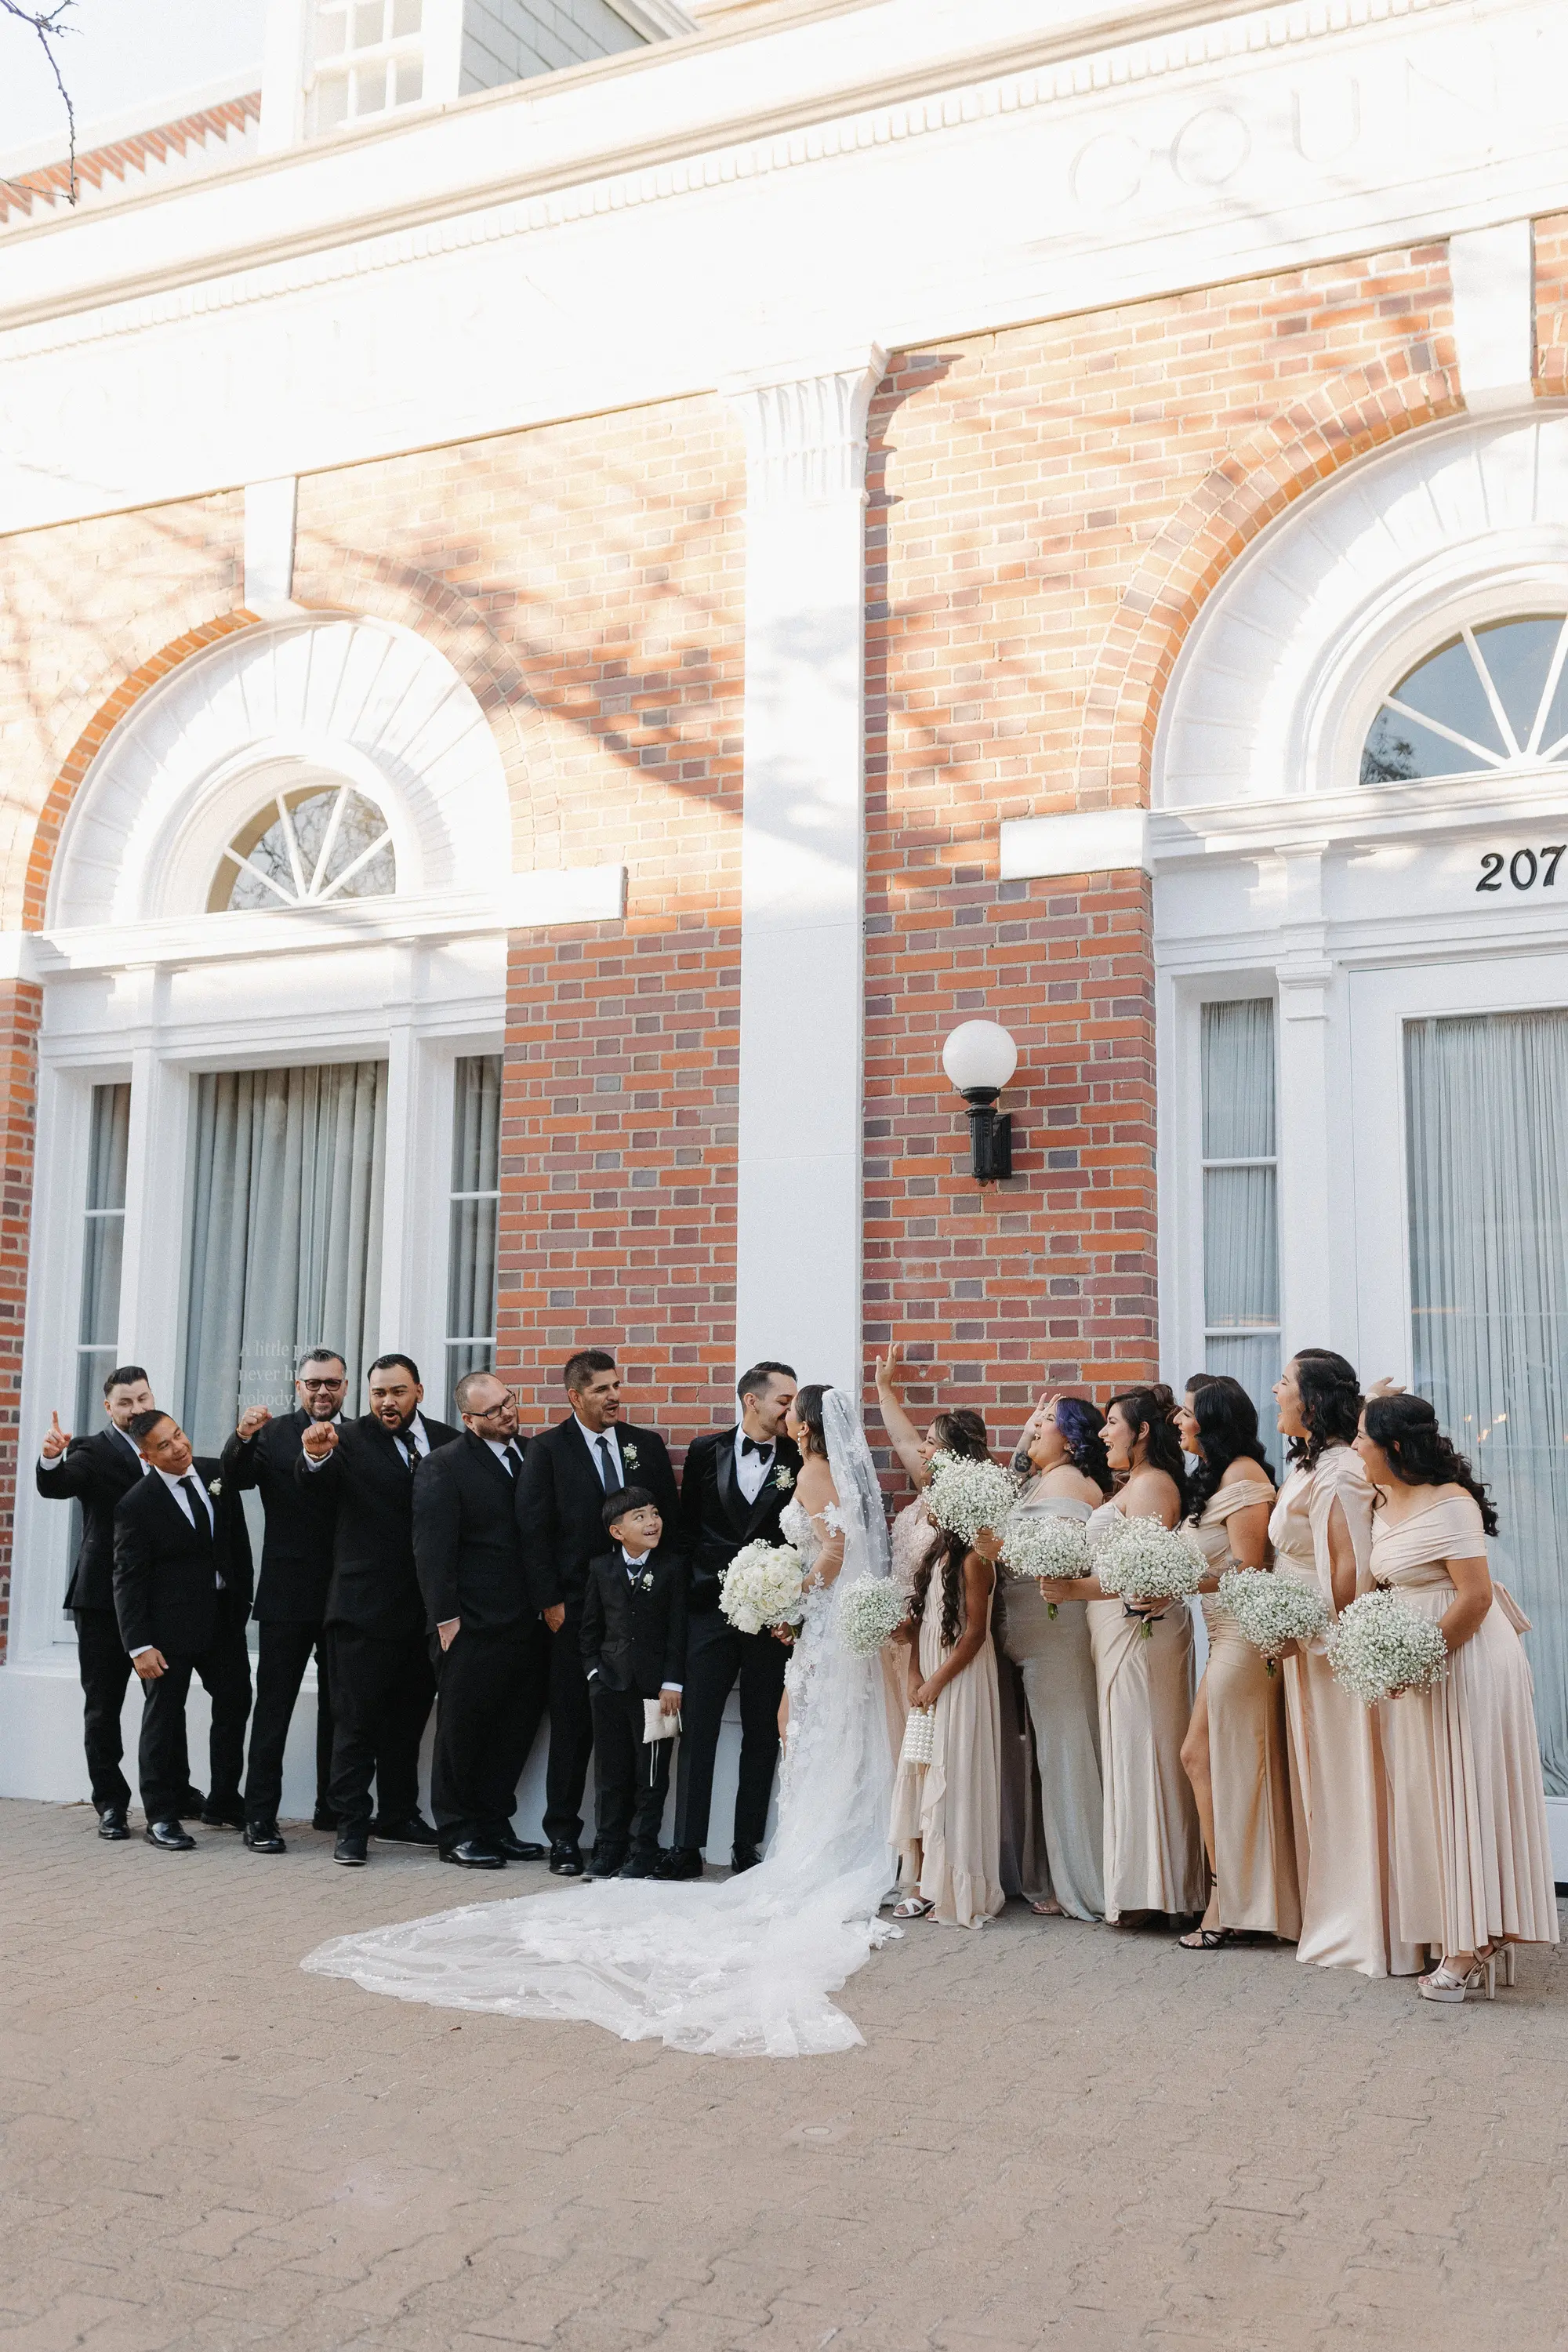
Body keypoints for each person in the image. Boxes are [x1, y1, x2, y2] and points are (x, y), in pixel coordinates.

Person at [305, 1386, 899, 2058]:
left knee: (788, 1737)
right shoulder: (580, 1494)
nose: (787, 1414)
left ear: (808, 1424)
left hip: (792, 1623)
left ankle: (791, 1856)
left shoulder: (801, 1469)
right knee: (721, 1743)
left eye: (796, 1407)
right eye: (781, 1400)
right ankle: (601, 1841)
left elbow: (833, 1549)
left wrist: (793, 1598)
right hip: (638, 1646)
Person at [1355, 1392, 1559, 2003]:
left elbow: (1473, 1598)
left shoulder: (1453, 1503)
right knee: (1435, 1799)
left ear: (1393, 1445)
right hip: (1420, 1660)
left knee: (1470, 1791)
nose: (1356, 1445)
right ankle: (1465, 1925)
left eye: (1363, 1436)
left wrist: (1415, 1660)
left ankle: (1471, 1945)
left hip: (1468, 1657)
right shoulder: (1380, 1501)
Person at [1269, 1350, 1416, 1978]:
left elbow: (1351, 1569)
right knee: (1321, 1779)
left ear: (1310, 1400)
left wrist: (1316, 1637)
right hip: (1304, 1641)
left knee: (1347, 1776)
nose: (1276, 1391)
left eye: (1285, 1382)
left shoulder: (1339, 1473)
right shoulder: (1319, 1464)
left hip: (1333, 1650)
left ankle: (1366, 1927)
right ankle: (1333, 1912)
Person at [514, 1348, 681, 1878]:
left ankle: (632, 1843)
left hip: (644, 1614)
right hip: (577, 1614)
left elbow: (667, 1523)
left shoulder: (644, 1446)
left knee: (637, 1736)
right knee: (573, 1727)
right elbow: (533, 1530)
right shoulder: (547, 1450)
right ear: (575, 1396)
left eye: (616, 1386)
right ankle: (564, 1836)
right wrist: (550, 1602)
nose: (614, 1396)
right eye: (602, 1389)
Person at [1042, 1387, 1207, 1924]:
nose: (1105, 1432)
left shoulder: (1155, 1484)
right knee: (1127, 1749)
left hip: (1145, 1633)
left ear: (1142, 1432)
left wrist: (1072, 1590)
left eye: (1114, 1423)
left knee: (1147, 1749)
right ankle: (1138, 1887)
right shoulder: (1131, 1483)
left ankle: (1162, 1892)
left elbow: (1145, 1577)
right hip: (1116, 1632)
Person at [299, 1354, 459, 1865]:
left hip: (423, 1612)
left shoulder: (447, 1440)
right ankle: (351, 1825)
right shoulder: (346, 1439)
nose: (388, 1402)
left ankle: (398, 1813)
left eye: (397, 1392)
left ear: (419, 1391)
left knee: (408, 1720)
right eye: (378, 1394)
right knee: (356, 1721)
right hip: (362, 1609)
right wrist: (316, 1459)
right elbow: (316, 1495)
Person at [36, 1366, 201, 1837]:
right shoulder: (92, 1450)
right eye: (125, 1403)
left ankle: (175, 1792)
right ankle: (110, 1802)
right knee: (104, 1706)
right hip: (103, 1600)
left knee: (167, 1703)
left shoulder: (171, 1448)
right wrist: (51, 1459)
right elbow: (58, 1484)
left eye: (143, 1399)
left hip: (159, 1602)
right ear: (109, 1408)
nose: (137, 1410)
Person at [660, 1359, 801, 1881]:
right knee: (696, 1729)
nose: (791, 1409)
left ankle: (747, 1847)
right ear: (752, 1401)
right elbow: (685, 1531)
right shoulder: (705, 1452)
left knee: (763, 1730)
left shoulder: (797, 1458)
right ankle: (685, 1847)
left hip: (770, 1618)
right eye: (784, 1400)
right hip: (708, 1613)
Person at [1175, 1374, 1299, 1951]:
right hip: (1222, 1633)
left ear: (1212, 1420)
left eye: (1187, 1412)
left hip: (1247, 1635)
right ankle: (1233, 1893)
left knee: (1214, 1759)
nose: (1179, 1420)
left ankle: (1231, 1901)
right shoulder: (1215, 1478)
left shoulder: (1246, 1477)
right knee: (1202, 1757)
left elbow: (1251, 1567)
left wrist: (1173, 1579)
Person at [413, 1370, 550, 1871]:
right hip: (468, 1624)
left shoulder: (535, 1455)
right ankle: (458, 1831)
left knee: (514, 1729)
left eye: (509, 1402)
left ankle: (495, 1823)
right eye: (493, 1411)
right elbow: (432, 1549)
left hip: (526, 1621)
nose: (507, 1413)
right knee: (462, 1732)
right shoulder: (443, 1466)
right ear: (469, 1420)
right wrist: (444, 1618)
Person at [111, 1409, 254, 1851]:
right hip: (167, 1631)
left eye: (179, 1435)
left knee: (235, 1702)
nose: (179, 1447)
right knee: (164, 1719)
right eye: (165, 1445)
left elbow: (236, 1539)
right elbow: (127, 1578)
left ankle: (225, 1800)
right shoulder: (136, 1504)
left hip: (223, 1621)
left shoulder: (215, 1474)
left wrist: (242, 1597)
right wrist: (139, 1645)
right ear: (146, 1455)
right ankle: (161, 1816)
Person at [222, 1348, 346, 1853]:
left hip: (344, 1594)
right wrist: (242, 1436)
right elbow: (233, 1478)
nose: (323, 1392)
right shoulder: (272, 1434)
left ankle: (331, 1806)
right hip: (286, 1593)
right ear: (299, 1387)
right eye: (313, 1383)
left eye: (332, 1383)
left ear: (344, 1387)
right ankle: (259, 1818)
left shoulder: (357, 1436)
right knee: (273, 1709)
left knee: (342, 1709)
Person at [1000, 1392, 1109, 1922]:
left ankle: (1083, 1885)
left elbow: (1046, 1555)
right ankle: (1051, 1871)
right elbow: (1007, 1488)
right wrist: (1025, 1437)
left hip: (1056, 1637)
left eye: (1044, 1422)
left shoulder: (1069, 1483)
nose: (1034, 1427)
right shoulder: (1043, 1478)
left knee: (1066, 1757)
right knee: (1043, 1760)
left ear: (1069, 1437)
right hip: (1028, 1639)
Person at [889, 1516, 1005, 1929]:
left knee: (951, 1775)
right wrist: (915, 1673)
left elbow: (975, 1633)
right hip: (932, 1672)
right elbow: (924, 1623)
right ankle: (923, 1880)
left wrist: (938, 1681)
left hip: (960, 1675)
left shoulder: (976, 1558)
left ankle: (951, 1885)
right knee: (923, 1771)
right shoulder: (939, 1550)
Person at [579, 1485, 688, 1879]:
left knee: (652, 1774)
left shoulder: (673, 1567)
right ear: (617, 1531)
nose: (652, 1521)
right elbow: (589, 1629)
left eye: (654, 1512)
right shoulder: (600, 1569)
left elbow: (678, 1630)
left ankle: (643, 1850)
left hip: (655, 1691)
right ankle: (608, 1849)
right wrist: (594, 1673)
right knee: (611, 1773)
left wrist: (673, 1683)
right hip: (609, 1687)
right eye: (639, 1516)